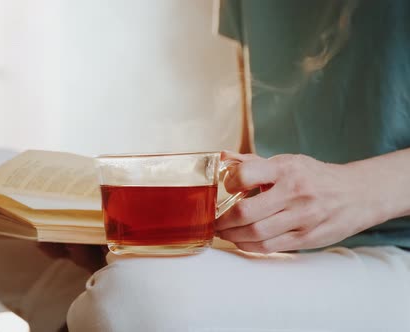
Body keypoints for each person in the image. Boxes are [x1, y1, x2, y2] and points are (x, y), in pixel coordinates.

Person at [66, 0, 410, 331]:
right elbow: (256, 141)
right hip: (289, 247)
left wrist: (357, 190)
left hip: (398, 247)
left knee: (131, 299)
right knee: (14, 213)